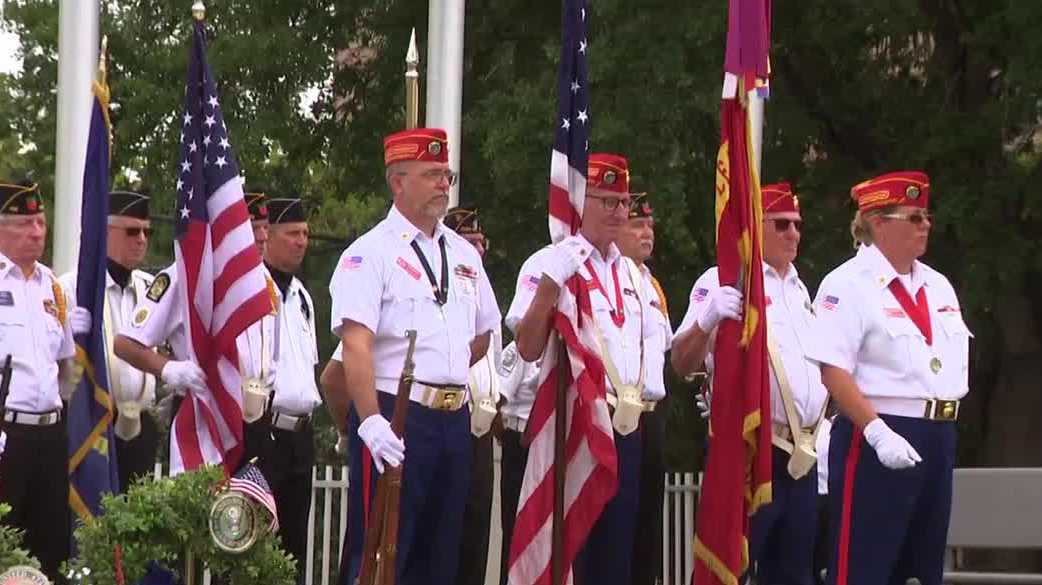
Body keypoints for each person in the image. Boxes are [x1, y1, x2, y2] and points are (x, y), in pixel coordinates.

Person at [330, 128, 500, 585]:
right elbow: (356, 346)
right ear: (398, 181)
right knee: (383, 553)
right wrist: (368, 421)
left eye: (446, 174)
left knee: (441, 556)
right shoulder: (368, 254)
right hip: (395, 416)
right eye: (431, 175)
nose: (444, 184)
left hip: (452, 419)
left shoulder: (465, 253)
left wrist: (444, 373)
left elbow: (482, 332)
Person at [807, 171, 970, 585]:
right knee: (865, 567)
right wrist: (877, 431)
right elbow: (832, 368)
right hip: (878, 432)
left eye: (926, 216)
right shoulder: (846, 284)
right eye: (914, 217)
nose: (926, 225)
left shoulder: (938, 285)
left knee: (923, 569)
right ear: (878, 222)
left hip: (938, 433)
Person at [508, 153, 659, 585]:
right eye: (606, 201)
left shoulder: (635, 275)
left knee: (618, 562)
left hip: (626, 428)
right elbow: (528, 346)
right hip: (576, 427)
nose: (618, 212)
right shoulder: (549, 261)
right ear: (580, 201)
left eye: (622, 202)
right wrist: (551, 285)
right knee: (574, 555)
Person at [673, 182, 829, 585]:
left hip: (800, 455)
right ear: (755, 226)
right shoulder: (725, 277)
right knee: (732, 568)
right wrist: (707, 319)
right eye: (781, 225)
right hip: (751, 450)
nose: (793, 234)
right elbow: (681, 362)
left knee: (795, 574)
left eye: (797, 225)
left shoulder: (801, 291)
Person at [114, 190, 278, 468]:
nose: (262, 237)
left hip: (256, 417)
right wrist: (169, 369)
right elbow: (126, 343)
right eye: (252, 228)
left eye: (265, 228)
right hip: (205, 414)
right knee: (206, 508)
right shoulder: (188, 273)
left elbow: (270, 356)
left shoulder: (265, 280)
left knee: (254, 510)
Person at [0, 180, 91, 581]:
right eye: (25, 224)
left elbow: (65, 366)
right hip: (7, 433)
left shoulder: (52, 286)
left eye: (40, 222)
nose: (37, 232)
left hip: (48, 437)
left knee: (49, 548)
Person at [60, 190, 159, 489]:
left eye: (146, 231)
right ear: (106, 231)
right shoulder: (72, 286)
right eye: (132, 231)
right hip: (94, 423)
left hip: (140, 421)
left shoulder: (150, 289)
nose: (141, 239)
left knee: (138, 520)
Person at [253, 195, 320, 582]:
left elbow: (308, 366)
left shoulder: (302, 296)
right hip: (267, 428)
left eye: (306, 234)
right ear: (269, 235)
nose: (302, 242)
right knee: (256, 542)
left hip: (301, 431)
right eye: (293, 233)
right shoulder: (252, 288)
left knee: (293, 547)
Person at [615, 193, 673, 585]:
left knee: (648, 529)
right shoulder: (610, 276)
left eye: (650, 225)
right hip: (619, 412)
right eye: (637, 225)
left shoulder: (652, 285)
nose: (646, 233)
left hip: (652, 414)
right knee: (616, 529)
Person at [444, 207, 500, 585]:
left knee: (475, 539)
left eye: (482, 243)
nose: (477, 251)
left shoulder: (485, 300)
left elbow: (495, 370)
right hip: (449, 420)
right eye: (469, 242)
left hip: (482, 430)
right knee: (444, 538)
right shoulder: (444, 293)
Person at [495, 340, 539, 585]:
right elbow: (499, 397)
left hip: (550, 443)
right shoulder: (521, 347)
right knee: (516, 533)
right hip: (520, 442)